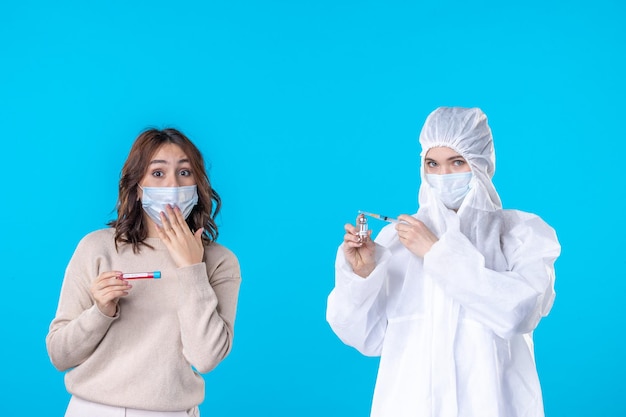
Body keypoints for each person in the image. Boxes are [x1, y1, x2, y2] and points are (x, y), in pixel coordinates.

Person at [326, 107, 560, 417]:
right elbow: (364, 338)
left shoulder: (520, 235)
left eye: (457, 162)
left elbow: (518, 313)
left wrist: (437, 254)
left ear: (481, 164)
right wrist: (362, 274)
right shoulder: (396, 240)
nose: (443, 176)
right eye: (432, 164)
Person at [46, 128, 241, 417]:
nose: (173, 184)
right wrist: (100, 311)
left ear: (198, 184)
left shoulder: (219, 261)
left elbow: (206, 358)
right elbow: (60, 355)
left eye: (185, 173)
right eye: (158, 174)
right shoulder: (97, 248)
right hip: (91, 410)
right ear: (138, 187)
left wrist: (191, 269)